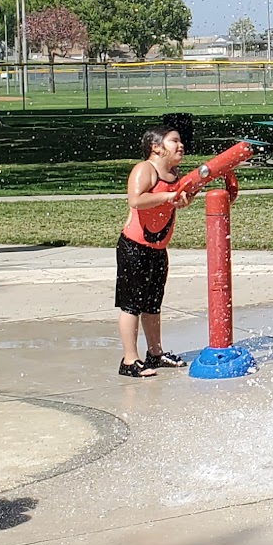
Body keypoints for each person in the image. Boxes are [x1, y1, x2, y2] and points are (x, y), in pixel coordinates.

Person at [115, 126, 198, 377]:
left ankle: (155, 353)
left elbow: (174, 203)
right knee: (131, 305)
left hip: (158, 249)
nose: (180, 145)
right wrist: (168, 196)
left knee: (153, 304)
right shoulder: (145, 170)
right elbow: (136, 200)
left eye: (181, 141)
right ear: (156, 147)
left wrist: (185, 197)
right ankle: (129, 360)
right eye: (174, 140)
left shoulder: (173, 174)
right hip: (134, 247)